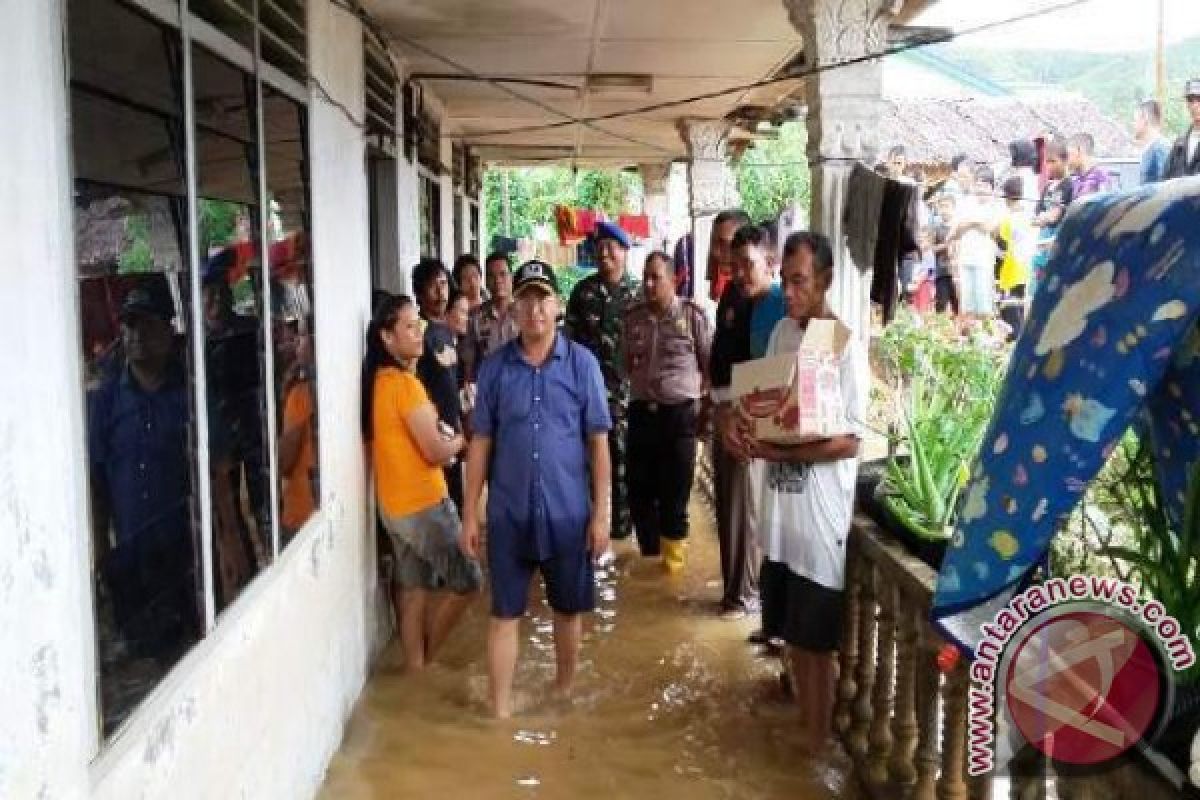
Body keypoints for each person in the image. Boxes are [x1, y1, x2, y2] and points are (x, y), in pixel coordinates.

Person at [462, 260, 613, 718]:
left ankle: (564, 696)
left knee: (568, 611)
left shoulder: (583, 365)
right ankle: (500, 713)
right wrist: (470, 513)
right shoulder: (494, 370)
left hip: (568, 514)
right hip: (508, 514)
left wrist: (601, 515)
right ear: (515, 310)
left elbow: (599, 445)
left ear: (558, 305)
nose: (534, 310)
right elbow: (480, 444)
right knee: (504, 614)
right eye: (525, 299)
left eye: (543, 298)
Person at [744, 231, 864, 754]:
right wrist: (743, 423)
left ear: (825, 282)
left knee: (818, 647)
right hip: (783, 519)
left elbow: (851, 440)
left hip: (820, 523)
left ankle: (817, 748)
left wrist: (783, 453)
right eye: (785, 280)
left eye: (799, 282)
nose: (788, 293)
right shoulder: (781, 338)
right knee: (794, 641)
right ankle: (805, 744)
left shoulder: (841, 342)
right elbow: (764, 406)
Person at [362, 293, 481, 672]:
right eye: (409, 327)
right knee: (470, 580)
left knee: (414, 591)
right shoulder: (404, 386)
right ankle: (428, 658)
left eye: (419, 325)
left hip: (394, 509)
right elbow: (435, 451)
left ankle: (416, 675)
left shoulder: (380, 383)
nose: (419, 333)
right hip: (423, 506)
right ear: (387, 338)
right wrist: (463, 439)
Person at [88, 279, 201, 661]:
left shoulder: (190, 394)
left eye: (147, 324)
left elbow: (217, 476)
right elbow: (97, 486)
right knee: (143, 662)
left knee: (189, 654)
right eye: (129, 326)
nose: (136, 335)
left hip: (185, 555)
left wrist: (226, 546)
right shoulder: (105, 403)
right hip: (132, 558)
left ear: (169, 329)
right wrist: (102, 554)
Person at [621, 251, 712, 572]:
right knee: (638, 494)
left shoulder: (692, 317)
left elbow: (710, 367)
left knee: (675, 499)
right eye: (645, 277)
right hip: (642, 415)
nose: (648, 284)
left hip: (680, 418)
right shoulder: (632, 318)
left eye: (655, 278)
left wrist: (705, 415)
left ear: (674, 280)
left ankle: (672, 574)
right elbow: (625, 364)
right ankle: (649, 561)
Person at [710, 223, 784, 620]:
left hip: (761, 424)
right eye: (734, 266)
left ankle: (748, 598)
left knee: (753, 515)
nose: (738, 274)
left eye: (747, 265)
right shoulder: (737, 298)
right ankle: (740, 595)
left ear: (770, 263)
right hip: (733, 415)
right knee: (734, 512)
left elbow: (779, 375)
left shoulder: (778, 306)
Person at [564, 220, 639, 544]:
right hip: (587, 395)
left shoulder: (638, 292)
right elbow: (566, 343)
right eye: (600, 246)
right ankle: (589, 529)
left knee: (626, 463)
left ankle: (623, 535)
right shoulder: (583, 292)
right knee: (584, 462)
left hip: (627, 396)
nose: (605, 252)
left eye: (612, 246)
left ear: (624, 251)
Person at [412, 258, 466, 512]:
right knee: (440, 504)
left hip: (451, 429)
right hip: (432, 433)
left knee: (455, 498)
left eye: (444, 284)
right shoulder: (417, 333)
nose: (441, 292)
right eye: (433, 286)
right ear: (420, 293)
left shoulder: (445, 330)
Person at [949, 167, 1000, 320]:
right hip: (966, 257)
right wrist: (974, 222)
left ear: (991, 188)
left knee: (984, 304)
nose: (981, 189)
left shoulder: (995, 206)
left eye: (985, 185)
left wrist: (970, 221)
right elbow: (956, 231)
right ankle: (970, 337)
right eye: (978, 184)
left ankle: (985, 335)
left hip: (983, 259)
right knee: (967, 305)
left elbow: (989, 228)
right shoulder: (965, 203)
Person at [462, 252, 518, 383]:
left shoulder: (525, 314)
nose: (498, 280)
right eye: (491, 276)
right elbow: (469, 364)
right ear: (486, 281)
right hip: (487, 391)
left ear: (511, 277)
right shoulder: (474, 317)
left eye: (503, 274)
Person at [1032, 137, 1075, 292]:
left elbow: (1054, 216)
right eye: (1047, 162)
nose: (1049, 166)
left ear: (1064, 161)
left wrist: (1045, 217)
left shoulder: (1069, 184)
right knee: (1036, 286)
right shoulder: (1048, 186)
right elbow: (1036, 215)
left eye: (1053, 161)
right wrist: (1043, 218)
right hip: (1041, 241)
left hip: (1056, 239)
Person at [705, 209, 752, 302]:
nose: (715, 252)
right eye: (714, 243)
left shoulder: (760, 293)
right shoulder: (728, 289)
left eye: (724, 244)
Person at [1163, 78, 1200, 179]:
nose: (1195, 105)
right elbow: (1165, 179)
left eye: (1199, 99)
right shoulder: (1180, 143)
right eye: (1190, 100)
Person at [931, 193, 960, 315]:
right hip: (942, 272)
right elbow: (931, 249)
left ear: (953, 208)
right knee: (941, 306)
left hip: (958, 273)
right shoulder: (936, 228)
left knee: (958, 307)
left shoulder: (959, 227)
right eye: (941, 207)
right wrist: (946, 245)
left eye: (947, 206)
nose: (944, 210)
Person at [1134, 98, 1172, 185]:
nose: (1133, 124)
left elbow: (1164, 186)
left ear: (1144, 119)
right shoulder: (1149, 148)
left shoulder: (1160, 148)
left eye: (1135, 120)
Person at [1067, 133, 1114, 198]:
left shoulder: (1100, 177)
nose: (1066, 159)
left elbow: (1106, 204)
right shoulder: (1073, 178)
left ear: (1079, 151)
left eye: (1068, 154)